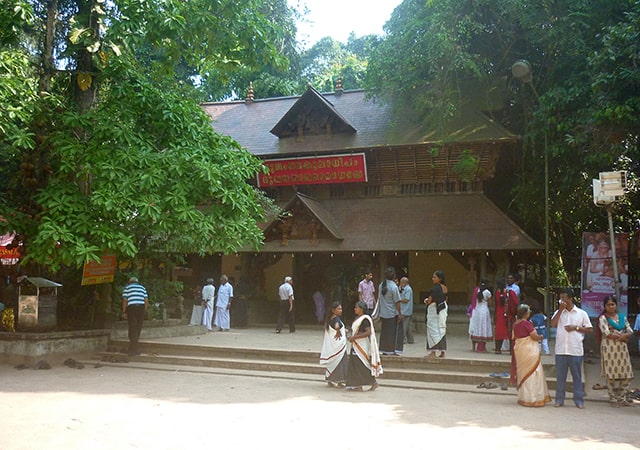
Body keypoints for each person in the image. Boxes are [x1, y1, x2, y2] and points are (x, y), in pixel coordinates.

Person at [550, 287, 592, 409]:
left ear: (570, 298)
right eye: (560, 297)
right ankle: (559, 399)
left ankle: (579, 400)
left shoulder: (581, 313)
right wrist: (560, 310)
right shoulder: (558, 312)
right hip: (561, 349)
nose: (561, 300)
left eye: (564, 297)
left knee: (577, 377)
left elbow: (589, 329)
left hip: (575, 350)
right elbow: (553, 324)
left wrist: (576, 328)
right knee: (560, 377)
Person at [598, 295, 634, 407]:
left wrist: (623, 335)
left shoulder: (622, 317)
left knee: (627, 374)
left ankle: (621, 398)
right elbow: (606, 333)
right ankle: (613, 399)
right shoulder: (603, 318)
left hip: (622, 350)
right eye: (608, 305)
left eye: (612, 304)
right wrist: (622, 337)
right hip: (609, 349)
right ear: (605, 306)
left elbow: (630, 330)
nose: (611, 307)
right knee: (611, 375)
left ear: (616, 305)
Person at [512, 304, 551, 407]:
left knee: (524, 373)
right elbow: (534, 336)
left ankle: (524, 398)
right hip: (529, 351)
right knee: (534, 372)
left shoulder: (515, 324)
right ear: (525, 313)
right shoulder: (527, 323)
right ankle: (533, 398)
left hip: (520, 350)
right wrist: (541, 336)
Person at [345, 301, 382, 391]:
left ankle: (373, 382)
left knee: (361, 364)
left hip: (361, 344)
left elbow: (368, 332)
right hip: (355, 344)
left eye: (356, 307)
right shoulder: (358, 318)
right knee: (355, 364)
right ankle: (358, 385)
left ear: (361, 309)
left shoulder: (365, 319)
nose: (355, 309)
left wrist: (355, 337)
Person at [319, 301, 348, 387]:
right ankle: (340, 381)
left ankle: (330, 380)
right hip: (339, 346)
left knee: (332, 362)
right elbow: (336, 326)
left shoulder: (329, 319)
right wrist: (339, 331)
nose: (340, 310)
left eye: (341, 309)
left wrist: (343, 330)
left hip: (333, 346)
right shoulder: (336, 319)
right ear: (333, 310)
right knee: (340, 362)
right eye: (338, 309)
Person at [121, 276, 149, 356]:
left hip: (132, 308)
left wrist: (124, 312)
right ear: (137, 282)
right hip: (141, 308)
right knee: (138, 328)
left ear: (130, 282)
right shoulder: (142, 288)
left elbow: (125, 300)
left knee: (132, 327)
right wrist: (145, 311)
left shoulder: (127, 288)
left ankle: (133, 350)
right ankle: (133, 348)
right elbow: (146, 300)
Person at [378, 266, 403, 355]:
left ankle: (384, 349)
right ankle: (391, 350)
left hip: (383, 313)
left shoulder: (381, 285)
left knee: (384, 332)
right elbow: (397, 302)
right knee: (392, 333)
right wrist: (400, 313)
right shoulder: (394, 287)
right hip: (392, 313)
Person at [424, 270, 448, 359]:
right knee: (441, 330)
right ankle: (442, 352)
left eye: (434, 277)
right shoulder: (445, 288)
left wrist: (426, 301)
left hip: (434, 312)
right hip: (442, 310)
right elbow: (446, 299)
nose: (432, 279)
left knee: (432, 331)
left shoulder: (434, 289)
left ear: (439, 278)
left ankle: (433, 352)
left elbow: (429, 301)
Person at [494, 278, 518, 354]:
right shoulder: (510, 292)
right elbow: (516, 302)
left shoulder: (496, 293)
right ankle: (511, 350)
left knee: (499, 332)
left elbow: (495, 305)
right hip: (509, 314)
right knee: (510, 331)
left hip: (499, 314)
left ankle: (498, 349)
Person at [399, 277, 414, 344]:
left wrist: (398, 300)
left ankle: (402, 339)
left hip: (405, 310)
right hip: (406, 310)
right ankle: (411, 339)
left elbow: (406, 299)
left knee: (404, 326)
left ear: (404, 283)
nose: (400, 284)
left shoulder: (408, 289)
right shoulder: (404, 289)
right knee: (408, 325)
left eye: (401, 282)